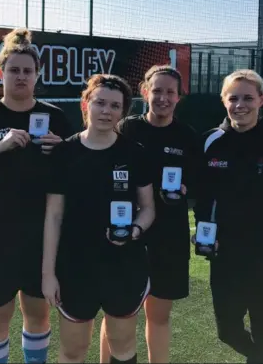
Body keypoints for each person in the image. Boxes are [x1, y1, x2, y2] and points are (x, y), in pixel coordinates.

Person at [0, 28, 71, 364]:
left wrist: (63, 149)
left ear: (38, 75)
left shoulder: (57, 118)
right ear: (0, 72)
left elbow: (73, 177)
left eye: (27, 71)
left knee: (38, 316)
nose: (21, 76)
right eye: (14, 70)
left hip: (43, 237)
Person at [42, 74, 155, 364]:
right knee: (73, 350)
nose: (107, 111)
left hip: (123, 266)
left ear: (123, 111)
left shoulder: (135, 153)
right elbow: (54, 216)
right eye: (100, 103)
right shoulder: (64, 153)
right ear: (85, 104)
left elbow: (148, 208)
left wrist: (135, 230)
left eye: (115, 106)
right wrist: (48, 273)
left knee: (122, 344)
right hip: (75, 267)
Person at [98, 65, 199, 363]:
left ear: (179, 97)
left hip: (170, 237)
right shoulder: (126, 129)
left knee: (158, 317)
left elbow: (198, 182)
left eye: (170, 92)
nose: (163, 98)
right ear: (145, 92)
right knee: (118, 315)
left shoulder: (188, 136)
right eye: (157, 90)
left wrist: (184, 189)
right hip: (125, 234)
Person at [193, 69, 263, 364]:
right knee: (227, 330)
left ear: (261, 99)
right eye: (233, 98)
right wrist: (202, 235)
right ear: (223, 101)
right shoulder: (210, 140)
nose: (241, 105)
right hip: (223, 254)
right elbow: (202, 197)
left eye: (248, 98)